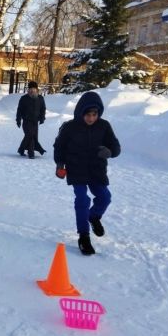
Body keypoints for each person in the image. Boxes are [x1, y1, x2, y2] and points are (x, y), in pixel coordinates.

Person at [53, 91, 120, 256]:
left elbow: (116, 147)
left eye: (94, 114)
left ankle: (94, 216)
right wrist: (60, 164)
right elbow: (59, 147)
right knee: (82, 199)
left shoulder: (104, 126)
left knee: (105, 197)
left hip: (97, 170)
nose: (91, 118)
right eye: (88, 114)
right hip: (76, 169)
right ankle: (84, 236)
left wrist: (109, 152)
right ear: (81, 112)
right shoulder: (69, 127)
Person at [15, 81, 46, 159]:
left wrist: (42, 118)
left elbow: (43, 109)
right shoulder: (24, 98)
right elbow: (19, 110)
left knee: (33, 136)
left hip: (35, 121)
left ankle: (21, 149)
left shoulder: (40, 98)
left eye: (33, 89)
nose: (32, 90)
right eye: (30, 89)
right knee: (30, 135)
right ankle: (31, 153)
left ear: (36, 89)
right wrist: (18, 120)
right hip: (26, 121)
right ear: (28, 90)